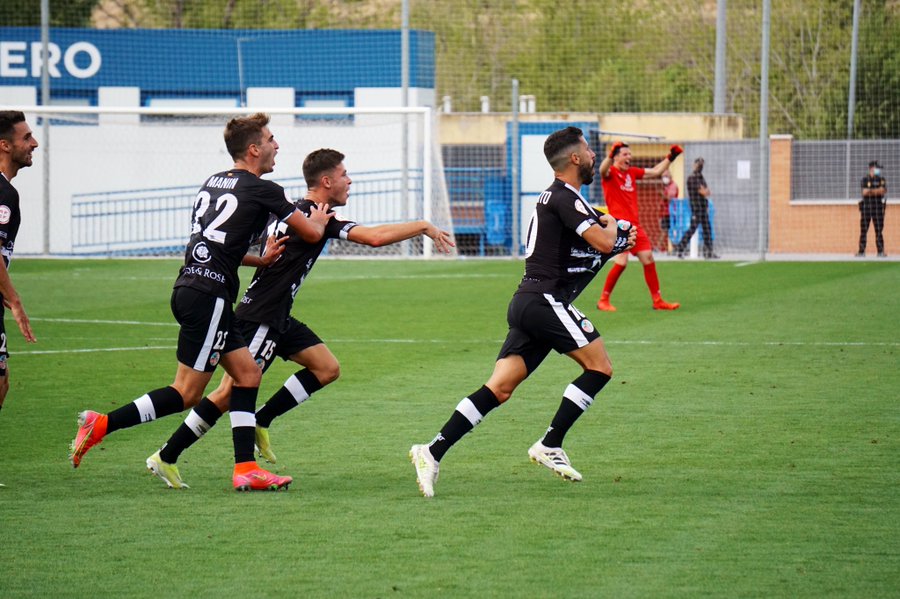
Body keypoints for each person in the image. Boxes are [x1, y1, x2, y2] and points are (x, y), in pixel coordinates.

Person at [143, 148, 454, 488]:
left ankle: (261, 419)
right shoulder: (310, 217)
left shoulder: (304, 215)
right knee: (228, 393)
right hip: (261, 315)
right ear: (326, 181)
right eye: (344, 175)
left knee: (326, 368)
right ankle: (169, 455)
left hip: (278, 315)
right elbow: (375, 238)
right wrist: (423, 225)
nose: (349, 180)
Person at [68, 112, 333, 491]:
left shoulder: (212, 182)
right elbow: (309, 231)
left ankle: (245, 469)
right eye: (272, 139)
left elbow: (214, 243)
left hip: (194, 288)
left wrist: (259, 258)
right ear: (255, 149)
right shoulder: (265, 189)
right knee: (185, 393)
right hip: (209, 295)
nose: (278, 146)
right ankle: (103, 423)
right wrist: (321, 218)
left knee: (247, 375)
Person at [409, 126, 636, 498]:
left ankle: (431, 452)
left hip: (530, 302)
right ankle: (550, 443)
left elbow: (588, 249)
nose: (595, 156)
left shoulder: (561, 199)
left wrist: (609, 233)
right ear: (575, 158)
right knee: (600, 367)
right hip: (544, 301)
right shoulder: (564, 196)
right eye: (589, 151)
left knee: (498, 389)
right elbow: (605, 240)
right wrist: (613, 226)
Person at [0, 111, 39, 488]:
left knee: (3, 380)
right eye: (27, 137)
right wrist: (14, 300)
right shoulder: (3, 192)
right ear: (5, 145)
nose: (34, 143)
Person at [596, 141, 682, 311]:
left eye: (630, 154)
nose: (629, 156)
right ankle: (603, 300)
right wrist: (610, 155)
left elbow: (656, 171)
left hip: (634, 225)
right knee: (622, 260)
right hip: (618, 225)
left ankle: (658, 301)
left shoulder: (632, 173)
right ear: (617, 157)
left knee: (648, 258)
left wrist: (671, 157)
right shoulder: (611, 173)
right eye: (625, 154)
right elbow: (601, 170)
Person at [675, 157, 718, 259]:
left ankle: (709, 252)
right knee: (692, 229)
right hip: (696, 208)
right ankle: (680, 249)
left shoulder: (701, 177)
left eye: (702, 164)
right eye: (699, 164)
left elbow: (707, 191)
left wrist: (704, 190)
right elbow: (703, 191)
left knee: (707, 229)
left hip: (703, 208)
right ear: (694, 165)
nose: (700, 166)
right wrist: (704, 190)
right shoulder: (692, 178)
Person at [857, 160, 887, 257]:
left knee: (879, 230)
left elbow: (882, 191)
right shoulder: (865, 179)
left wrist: (871, 191)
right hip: (866, 208)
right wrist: (876, 191)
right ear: (872, 168)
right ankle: (861, 251)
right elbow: (864, 192)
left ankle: (880, 251)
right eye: (877, 168)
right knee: (863, 230)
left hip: (878, 208)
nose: (879, 170)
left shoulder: (881, 179)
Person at [659, 169, 678, 252]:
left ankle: (659, 247)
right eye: (663, 177)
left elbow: (670, 198)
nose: (664, 178)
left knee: (668, 230)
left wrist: (663, 195)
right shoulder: (666, 186)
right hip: (664, 212)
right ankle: (674, 248)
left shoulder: (673, 186)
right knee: (665, 230)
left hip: (670, 212)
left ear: (670, 176)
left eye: (666, 176)